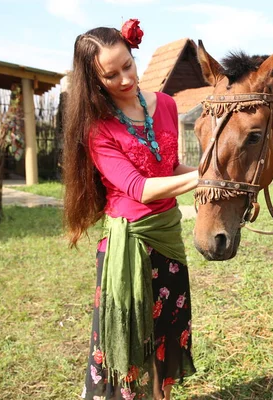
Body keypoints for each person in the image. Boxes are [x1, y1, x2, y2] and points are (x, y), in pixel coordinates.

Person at [62, 19, 199, 400]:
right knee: (126, 335)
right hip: (129, 242)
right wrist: (204, 178)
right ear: (94, 80)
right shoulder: (99, 129)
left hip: (168, 240)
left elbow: (169, 168)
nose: (125, 79)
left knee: (167, 329)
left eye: (128, 65)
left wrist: (217, 174)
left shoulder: (167, 105)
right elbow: (139, 188)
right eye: (111, 75)